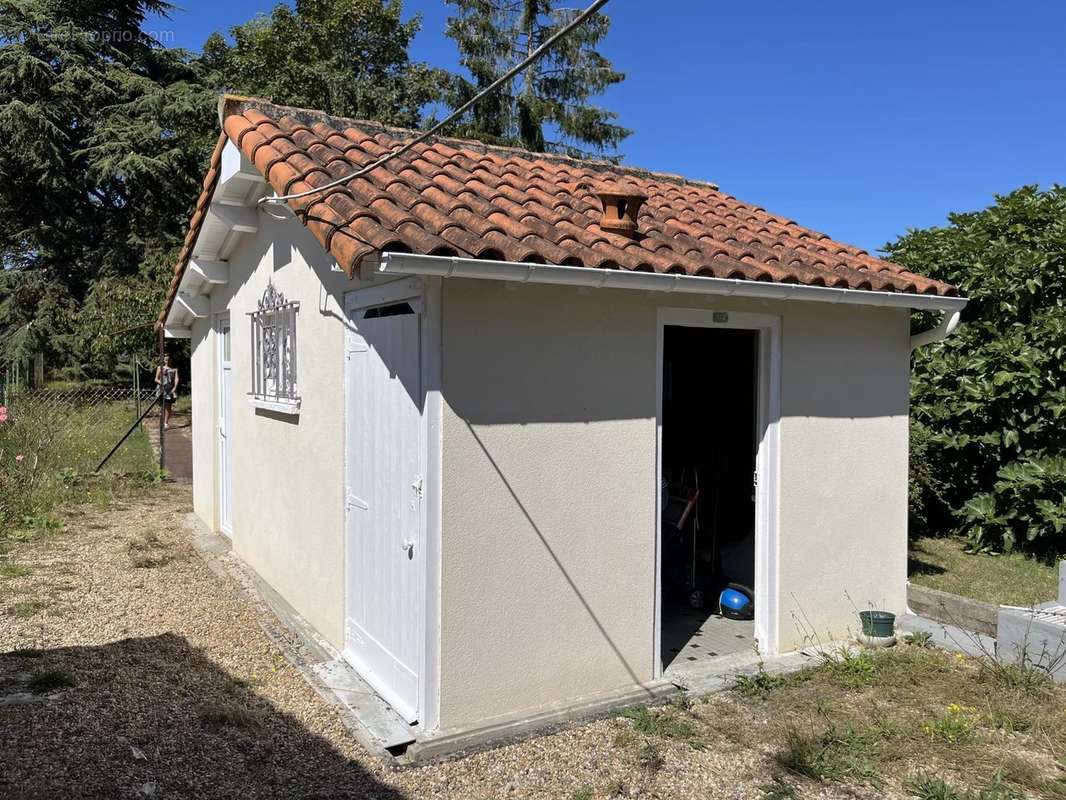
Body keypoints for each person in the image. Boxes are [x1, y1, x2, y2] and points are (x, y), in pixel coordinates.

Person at [154, 354, 179, 430]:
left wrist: (175, 387)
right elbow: (156, 379)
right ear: (163, 360)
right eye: (166, 360)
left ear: (171, 360)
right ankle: (161, 421)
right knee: (162, 405)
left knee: (168, 406)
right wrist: (162, 383)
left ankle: (166, 423)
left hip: (170, 389)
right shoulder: (160, 368)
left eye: (168, 359)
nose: (167, 361)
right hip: (162, 388)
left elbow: (176, 378)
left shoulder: (174, 369)